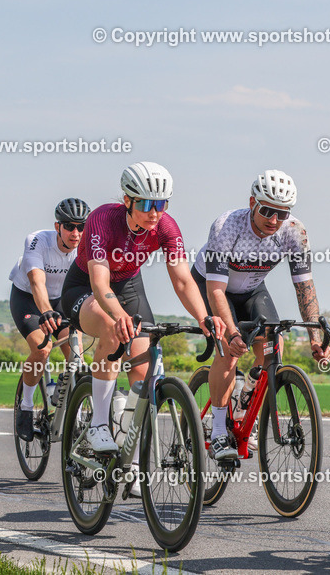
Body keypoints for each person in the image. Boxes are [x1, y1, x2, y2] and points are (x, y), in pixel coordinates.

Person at [59, 161, 226, 460]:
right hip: (85, 287)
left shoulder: (166, 226)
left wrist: (203, 316)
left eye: (161, 203)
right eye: (147, 204)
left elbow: (183, 280)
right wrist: (118, 315)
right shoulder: (102, 219)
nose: (155, 212)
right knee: (113, 330)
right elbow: (99, 282)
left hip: (129, 287)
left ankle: (132, 457)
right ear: (127, 200)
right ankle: (98, 423)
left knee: (143, 370)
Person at [192, 170, 330, 461]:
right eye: (267, 211)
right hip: (213, 287)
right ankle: (218, 430)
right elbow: (217, 291)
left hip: (253, 287)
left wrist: (315, 339)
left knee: (272, 346)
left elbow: (305, 288)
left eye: (282, 214)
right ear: (252, 202)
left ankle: (246, 402)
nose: (273, 220)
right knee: (229, 352)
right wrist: (231, 333)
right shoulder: (227, 226)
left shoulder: (294, 231)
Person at [10, 198, 91, 441]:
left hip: (63, 300)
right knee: (42, 348)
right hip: (29, 298)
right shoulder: (37, 240)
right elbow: (37, 282)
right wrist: (46, 311)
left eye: (81, 226)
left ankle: (70, 410)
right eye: (69, 226)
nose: (76, 233)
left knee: (77, 356)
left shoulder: (88, 245)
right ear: (58, 227)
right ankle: (25, 408)